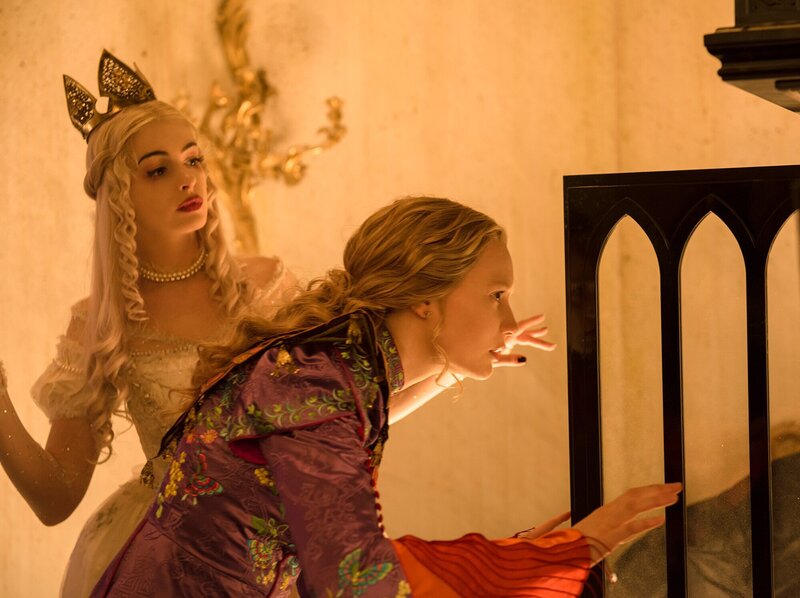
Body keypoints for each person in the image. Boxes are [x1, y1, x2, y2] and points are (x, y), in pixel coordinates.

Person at [92, 196, 682, 597]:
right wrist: (554, 555)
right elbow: (356, 578)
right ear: (425, 298)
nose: (508, 320)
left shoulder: (340, 370)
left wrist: (451, 369)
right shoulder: (313, 384)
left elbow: (363, 425)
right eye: (495, 295)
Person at [0, 51, 296, 597]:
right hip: (169, 563)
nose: (189, 180)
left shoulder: (266, 288)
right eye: (158, 169)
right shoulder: (99, 326)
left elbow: (343, 411)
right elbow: (56, 496)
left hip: (282, 554)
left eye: (193, 160)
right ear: (118, 196)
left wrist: (443, 365)